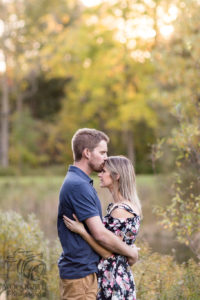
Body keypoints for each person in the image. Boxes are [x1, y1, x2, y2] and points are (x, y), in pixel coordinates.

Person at [57, 129, 139, 300]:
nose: (105, 158)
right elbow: (101, 235)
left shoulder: (82, 183)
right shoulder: (78, 185)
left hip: (86, 273)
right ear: (87, 153)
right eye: (102, 152)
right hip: (80, 274)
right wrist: (131, 253)